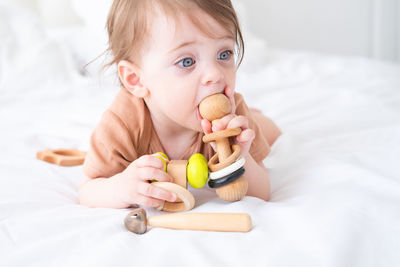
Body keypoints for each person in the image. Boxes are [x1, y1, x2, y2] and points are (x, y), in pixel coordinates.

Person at [79, 0, 281, 209]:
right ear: (136, 80)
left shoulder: (231, 118)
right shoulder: (121, 124)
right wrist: (120, 188)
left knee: (272, 132)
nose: (215, 74)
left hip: (244, 126)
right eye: (187, 61)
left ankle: (258, 117)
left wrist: (242, 156)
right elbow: (87, 190)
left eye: (224, 54)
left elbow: (262, 193)